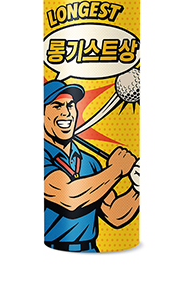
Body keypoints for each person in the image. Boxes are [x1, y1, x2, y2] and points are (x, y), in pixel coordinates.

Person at [44, 79, 140, 252]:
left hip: (92, 248)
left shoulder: (89, 161)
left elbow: (114, 214)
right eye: (57, 106)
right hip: (54, 252)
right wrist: (116, 170)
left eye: (70, 105)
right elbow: (69, 197)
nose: (66, 112)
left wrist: (137, 188)